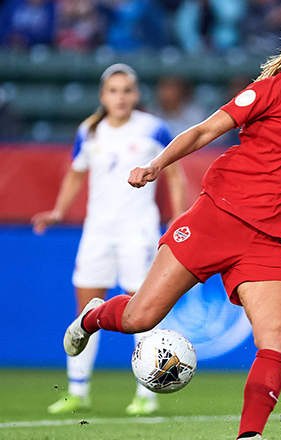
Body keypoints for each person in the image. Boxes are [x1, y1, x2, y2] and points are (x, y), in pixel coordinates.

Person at [60, 1, 281, 439]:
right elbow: (202, 131)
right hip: (216, 219)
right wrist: (156, 165)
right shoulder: (269, 90)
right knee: (140, 318)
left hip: (268, 245)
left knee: (279, 336)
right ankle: (93, 317)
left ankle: (249, 435)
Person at [31, 63, 187, 416]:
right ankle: (77, 391)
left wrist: (178, 215)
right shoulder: (89, 131)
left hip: (139, 231)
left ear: (136, 94)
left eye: (127, 90)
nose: (120, 97)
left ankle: (147, 394)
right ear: (103, 96)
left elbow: (175, 176)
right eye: (113, 91)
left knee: (143, 310)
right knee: (86, 311)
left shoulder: (153, 129)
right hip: (97, 231)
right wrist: (58, 210)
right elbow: (75, 174)